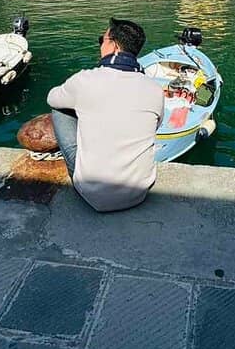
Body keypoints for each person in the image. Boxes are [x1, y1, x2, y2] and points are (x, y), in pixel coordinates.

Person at [47, 18, 164, 212]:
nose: (100, 44)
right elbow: (157, 125)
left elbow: (52, 97)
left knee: (60, 109)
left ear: (114, 45)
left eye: (102, 39)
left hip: (92, 194)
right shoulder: (154, 88)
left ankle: (80, 173)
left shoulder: (85, 79)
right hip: (140, 192)